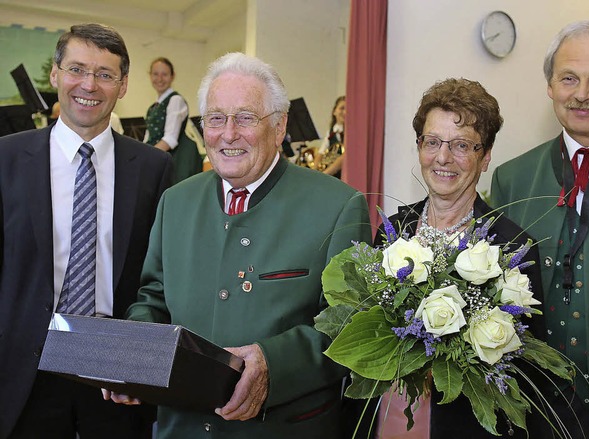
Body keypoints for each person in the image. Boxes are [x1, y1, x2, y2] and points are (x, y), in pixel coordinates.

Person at [104, 52, 372, 439]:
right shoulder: (175, 201)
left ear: (279, 127)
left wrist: (273, 364)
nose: (228, 134)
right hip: (182, 428)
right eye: (215, 118)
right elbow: (153, 299)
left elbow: (351, 325)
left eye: (246, 118)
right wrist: (135, 355)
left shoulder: (339, 206)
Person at [0, 23, 173, 439]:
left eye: (105, 74)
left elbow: (159, 276)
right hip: (23, 365)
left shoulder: (153, 168)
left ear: (124, 85)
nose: (89, 85)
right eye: (77, 69)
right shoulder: (6, 158)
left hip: (115, 372)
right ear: (56, 75)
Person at [371, 78, 548, 438]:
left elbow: (527, 373)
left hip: (466, 426)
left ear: (485, 158)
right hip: (389, 415)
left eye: (461, 145)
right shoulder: (393, 230)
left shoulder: (513, 247)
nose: (443, 157)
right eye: (432, 142)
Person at [490, 20, 589, 439]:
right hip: (535, 408)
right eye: (569, 78)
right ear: (550, 86)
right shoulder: (511, 179)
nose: (582, 94)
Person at [145, 57, 202, 183]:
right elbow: (147, 138)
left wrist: (146, 157)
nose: (159, 79)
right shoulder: (153, 107)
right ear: (150, 76)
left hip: (176, 162)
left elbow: (170, 139)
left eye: (164, 74)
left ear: (172, 76)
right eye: (155, 74)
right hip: (158, 159)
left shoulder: (175, 100)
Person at [316, 95, 346, 177]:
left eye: (348, 109)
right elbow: (321, 153)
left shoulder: (351, 133)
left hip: (342, 175)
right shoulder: (330, 132)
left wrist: (325, 174)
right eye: (342, 108)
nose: (345, 112)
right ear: (334, 111)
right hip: (331, 175)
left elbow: (345, 157)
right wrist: (314, 172)